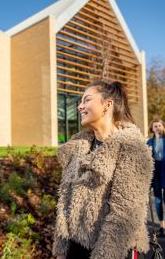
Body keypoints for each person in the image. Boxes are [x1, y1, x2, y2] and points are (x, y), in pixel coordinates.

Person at [53, 80, 154, 259]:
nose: (80, 106)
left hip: (115, 249)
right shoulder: (79, 147)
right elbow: (65, 202)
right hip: (76, 247)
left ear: (107, 105)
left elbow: (125, 215)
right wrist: (61, 250)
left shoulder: (132, 148)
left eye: (87, 100)